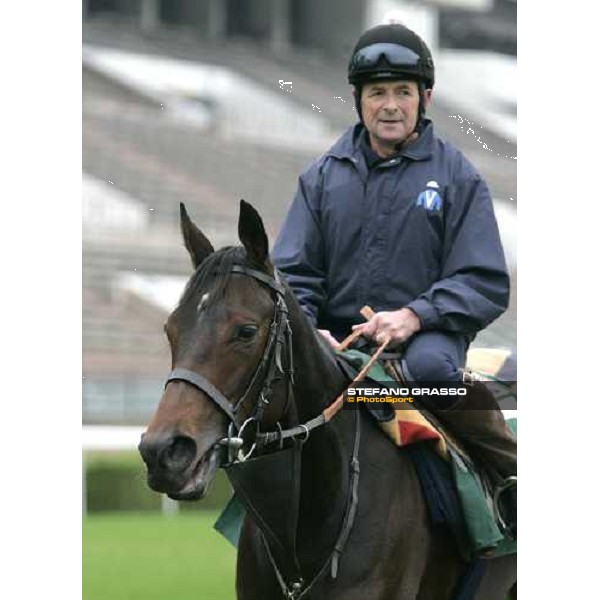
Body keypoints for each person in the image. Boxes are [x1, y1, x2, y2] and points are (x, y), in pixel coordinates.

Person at [272, 23, 516, 534]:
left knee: (431, 373)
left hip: (428, 340)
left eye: (402, 92)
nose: (390, 105)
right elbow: (293, 272)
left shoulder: (458, 178)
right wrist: (308, 326)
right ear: (358, 100)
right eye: (377, 92)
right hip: (336, 339)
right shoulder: (320, 178)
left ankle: (510, 481)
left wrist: (414, 316)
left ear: (424, 98)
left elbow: (483, 279)